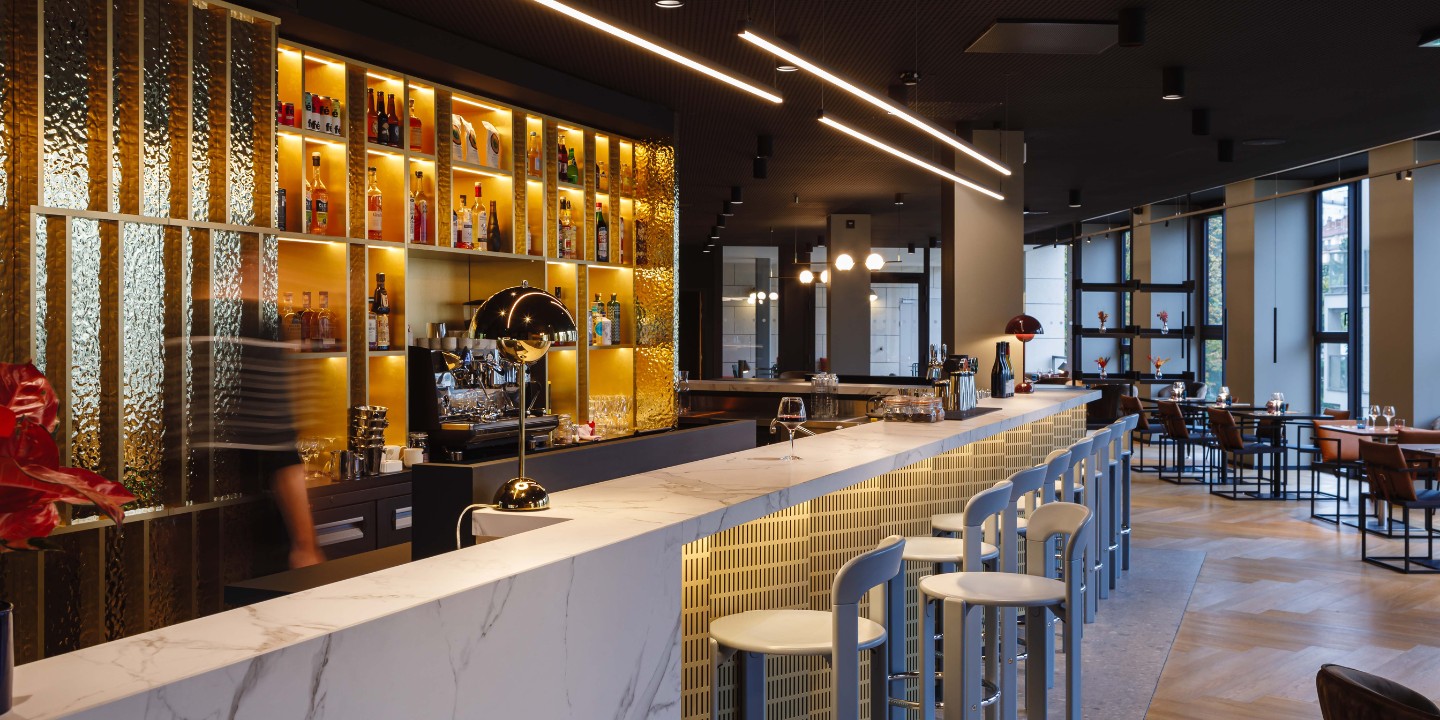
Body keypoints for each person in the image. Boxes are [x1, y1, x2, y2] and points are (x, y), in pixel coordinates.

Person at [189, 298, 324, 569]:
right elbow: (284, 463)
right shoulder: (261, 345)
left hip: (209, 535)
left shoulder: (205, 349)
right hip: (255, 539)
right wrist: (305, 546)